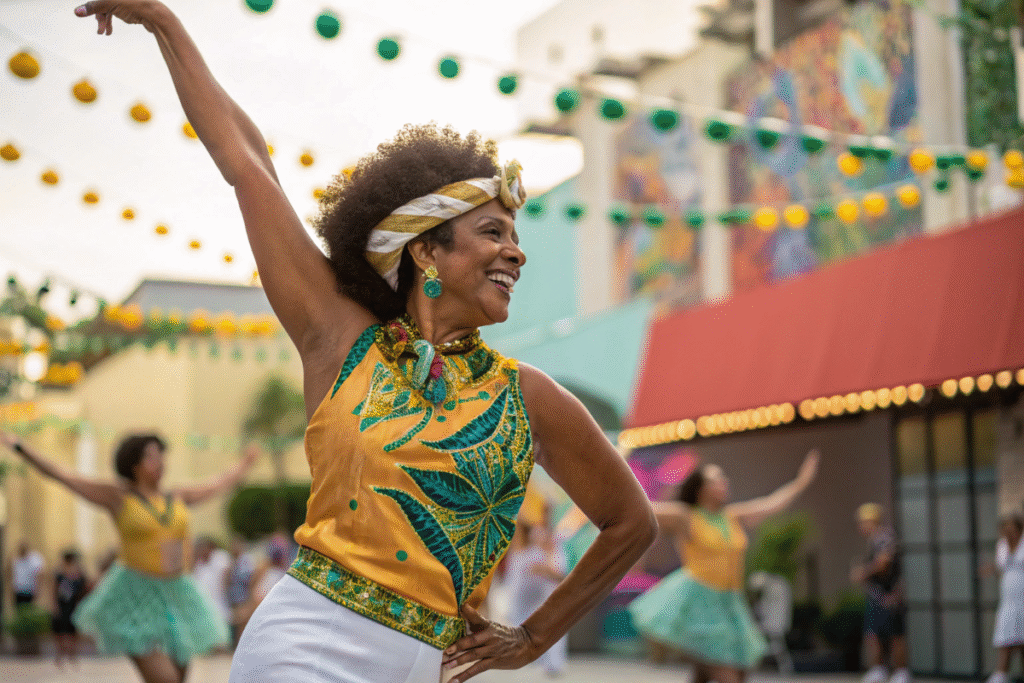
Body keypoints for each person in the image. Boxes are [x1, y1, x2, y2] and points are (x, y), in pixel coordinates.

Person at [71, 3, 658, 682]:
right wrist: (164, 22)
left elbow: (629, 520)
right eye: (494, 232)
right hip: (304, 645)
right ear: (429, 252)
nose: (516, 254)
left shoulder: (528, 396)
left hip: (421, 667)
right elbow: (247, 162)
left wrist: (532, 635)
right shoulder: (342, 339)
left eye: (517, 238)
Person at [0, 432, 257, 683]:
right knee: (164, 679)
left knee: (178, 678)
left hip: (178, 594)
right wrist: (21, 447)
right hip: (135, 595)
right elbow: (64, 476)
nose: (160, 463)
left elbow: (218, 483)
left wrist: (245, 463)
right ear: (133, 464)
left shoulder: (177, 496)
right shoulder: (118, 496)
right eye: (151, 457)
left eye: (161, 456)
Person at [629, 449, 820, 683]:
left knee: (732, 672)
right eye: (715, 479)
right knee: (727, 674)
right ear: (700, 489)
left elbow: (770, 504)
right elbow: (645, 508)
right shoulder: (686, 516)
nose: (723, 482)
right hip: (699, 602)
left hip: (731, 603)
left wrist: (801, 481)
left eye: (723, 478)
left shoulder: (732, 516)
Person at [504, 512, 569, 677]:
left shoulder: (556, 551)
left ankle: (553, 664)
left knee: (554, 633)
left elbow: (560, 574)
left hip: (551, 601)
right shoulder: (525, 554)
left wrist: (545, 570)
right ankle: (538, 660)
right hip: (528, 602)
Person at [850, 503, 909, 683]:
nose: (861, 527)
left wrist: (863, 572)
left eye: (863, 522)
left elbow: (883, 562)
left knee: (894, 635)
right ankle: (879, 669)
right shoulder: (874, 539)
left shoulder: (884, 537)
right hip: (877, 596)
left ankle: (900, 671)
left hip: (889, 596)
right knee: (874, 633)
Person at [984, 513, 1024, 683]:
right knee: (1005, 639)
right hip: (1008, 600)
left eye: (1011, 529)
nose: (1008, 533)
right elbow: (1000, 567)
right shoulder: (1001, 545)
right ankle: (1001, 674)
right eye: (1005, 529)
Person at [52, 549, 89, 669]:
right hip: (63, 604)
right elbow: (54, 590)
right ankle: (60, 655)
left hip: (74, 605)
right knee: (61, 631)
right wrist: (55, 605)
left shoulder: (78, 573)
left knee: (73, 631)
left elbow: (84, 588)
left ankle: (72, 655)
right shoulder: (60, 573)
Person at [191, 536, 232, 631]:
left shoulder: (219, 557)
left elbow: (227, 575)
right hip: (208, 614)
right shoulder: (199, 565)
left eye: (202, 548)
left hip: (224, 611)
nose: (201, 551)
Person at [9, 540, 45, 607]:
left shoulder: (35, 558)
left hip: (30, 590)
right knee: (19, 609)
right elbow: (13, 575)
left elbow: (40, 575)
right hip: (18, 590)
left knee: (29, 610)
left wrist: (38, 589)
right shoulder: (16, 559)